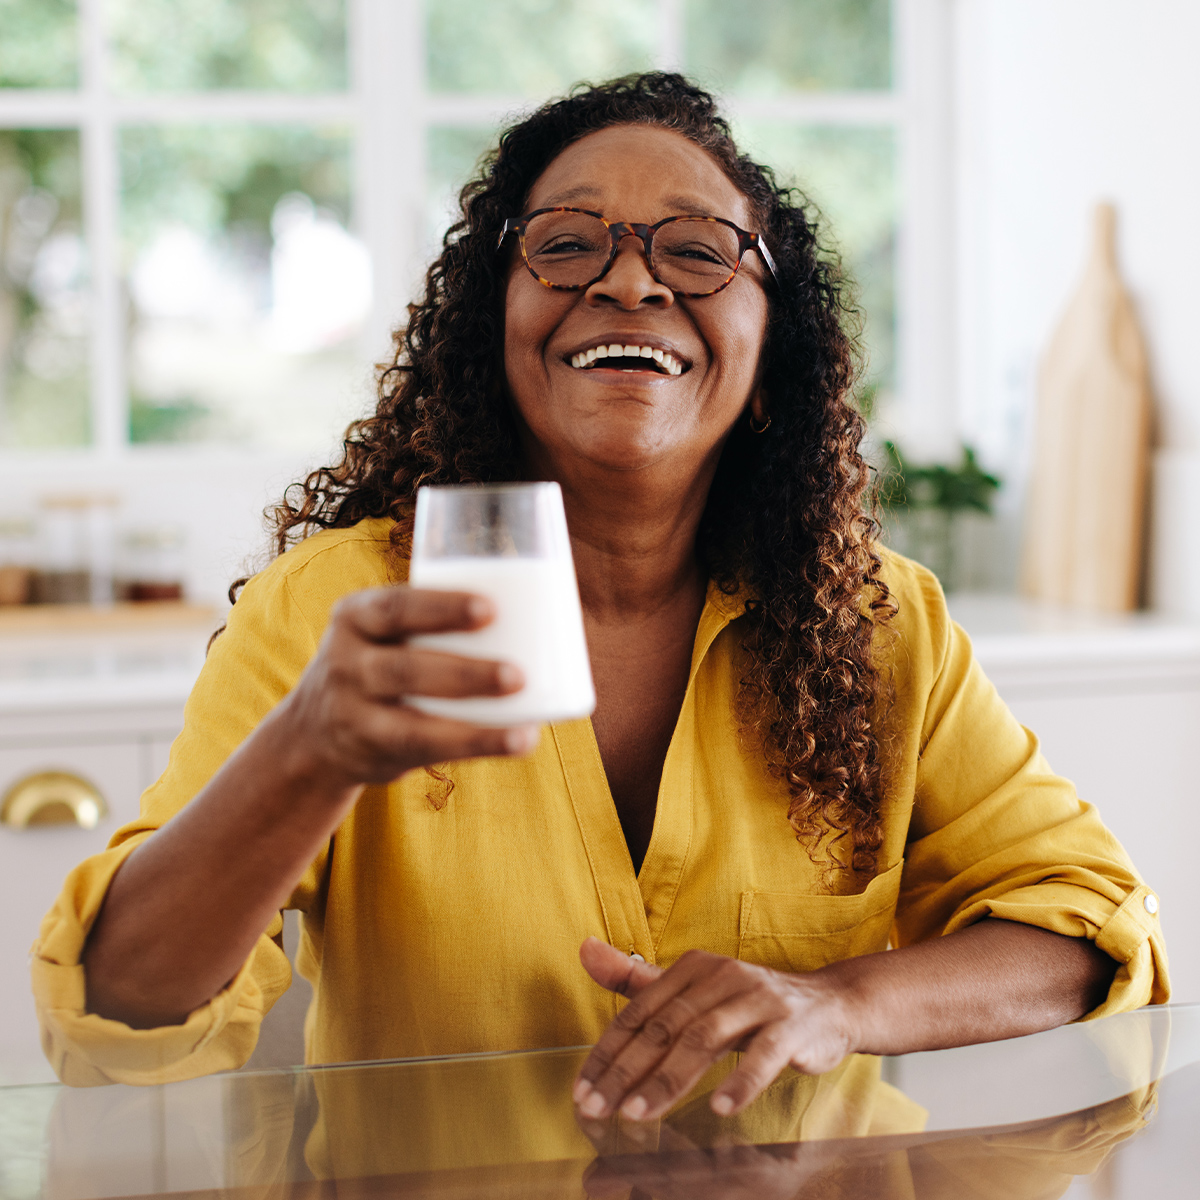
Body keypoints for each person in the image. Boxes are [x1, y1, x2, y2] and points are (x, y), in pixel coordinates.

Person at [33, 75, 1167, 1118]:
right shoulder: (337, 608)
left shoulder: (878, 624)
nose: (628, 280)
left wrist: (839, 1004)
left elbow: (1089, 924)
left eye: (699, 250)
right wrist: (309, 755)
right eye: (566, 245)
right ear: (494, 335)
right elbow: (117, 1028)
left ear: (772, 353)